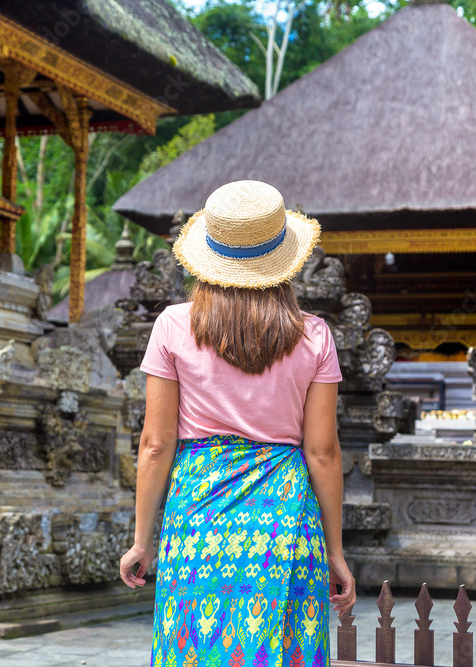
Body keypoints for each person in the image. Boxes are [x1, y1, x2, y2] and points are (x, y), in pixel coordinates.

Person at [119, 180, 356, 666]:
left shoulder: (172, 325)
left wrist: (144, 540)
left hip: (197, 520)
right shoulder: (313, 334)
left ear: (208, 254)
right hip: (285, 524)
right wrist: (335, 551)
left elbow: (155, 444)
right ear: (284, 259)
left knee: (197, 651)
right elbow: (323, 453)